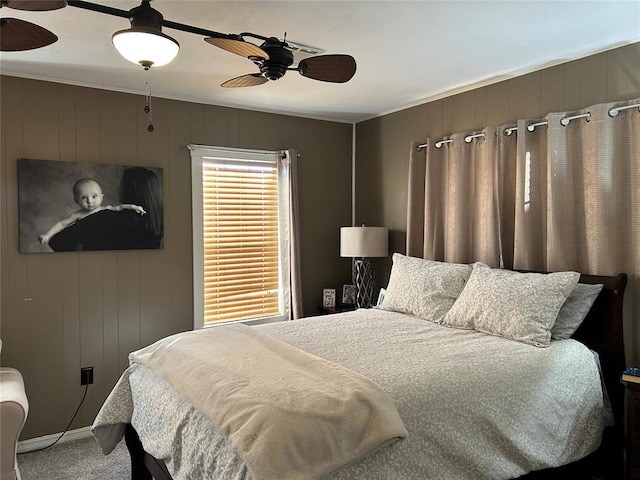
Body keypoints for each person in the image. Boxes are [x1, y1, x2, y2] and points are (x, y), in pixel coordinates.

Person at [48, 168, 163, 252]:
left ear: (130, 190)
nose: (118, 188)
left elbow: (56, 242)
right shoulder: (158, 222)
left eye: (122, 185)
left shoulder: (107, 217)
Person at [39, 178, 146, 245]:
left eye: (94, 196)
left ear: (101, 197)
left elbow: (120, 207)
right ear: (76, 201)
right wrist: (48, 235)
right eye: (83, 198)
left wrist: (134, 207)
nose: (90, 201)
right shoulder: (77, 215)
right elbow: (61, 224)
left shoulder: (105, 209)